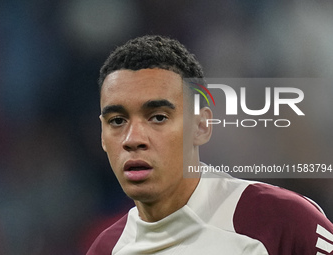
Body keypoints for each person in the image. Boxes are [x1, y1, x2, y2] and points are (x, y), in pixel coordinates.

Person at [87, 35, 333, 255]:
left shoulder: (282, 223)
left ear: (201, 126)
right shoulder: (106, 249)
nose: (133, 139)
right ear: (102, 135)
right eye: (117, 121)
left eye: (158, 117)